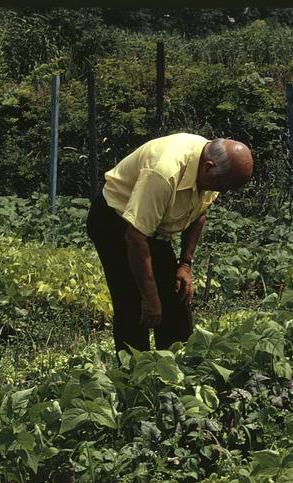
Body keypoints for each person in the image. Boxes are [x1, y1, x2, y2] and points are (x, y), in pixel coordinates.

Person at [86, 133, 253, 354]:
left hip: (153, 228)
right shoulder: (164, 172)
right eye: (221, 185)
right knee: (133, 303)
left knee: (176, 298)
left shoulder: (213, 171)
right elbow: (135, 238)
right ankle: (133, 378)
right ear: (208, 167)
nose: (222, 191)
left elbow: (200, 213)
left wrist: (185, 264)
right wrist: (151, 298)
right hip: (115, 221)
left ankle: (178, 370)